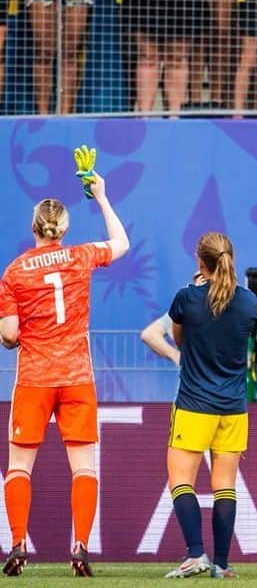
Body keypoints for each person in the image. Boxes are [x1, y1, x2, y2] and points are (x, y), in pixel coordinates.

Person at [0, 166, 129, 577]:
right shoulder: (79, 256)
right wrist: (102, 196)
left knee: (20, 467)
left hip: (34, 378)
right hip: (77, 377)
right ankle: (79, 547)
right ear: (64, 228)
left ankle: (18, 544)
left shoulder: (15, 272)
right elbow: (122, 244)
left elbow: (9, 335)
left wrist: (16, 334)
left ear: (34, 227)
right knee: (84, 468)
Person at [164, 233, 257, 579]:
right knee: (225, 485)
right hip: (233, 407)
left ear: (200, 262)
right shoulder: (249, 303)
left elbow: (178, 338)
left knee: (180, 480)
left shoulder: (186, 298)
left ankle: (195, 554)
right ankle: (221, 563)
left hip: (194, 404)